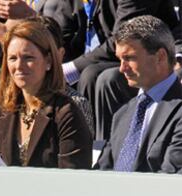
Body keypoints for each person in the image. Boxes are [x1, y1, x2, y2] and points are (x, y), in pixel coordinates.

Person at [51, 0, 180, 141]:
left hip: (154, 58)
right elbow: (64, 32)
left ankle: (101, 143)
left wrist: (71, 69)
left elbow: (126, 39)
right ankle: (87, 147)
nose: (122, 68)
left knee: (98, 77)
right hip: (105, 58)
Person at [0, 19, 92, 168]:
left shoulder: (66, 113)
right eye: (12, 58)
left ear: (49, 61)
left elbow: (72, 180)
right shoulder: (6, 110)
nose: (18, 66)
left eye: (28, 58)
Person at [96, 16, 182, 173]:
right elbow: (101, 173)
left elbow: (172, 180)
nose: (122, 69)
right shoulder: (121, 115)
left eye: (129, 58)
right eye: (120, 59)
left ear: (160, 57)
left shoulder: (179, 111)